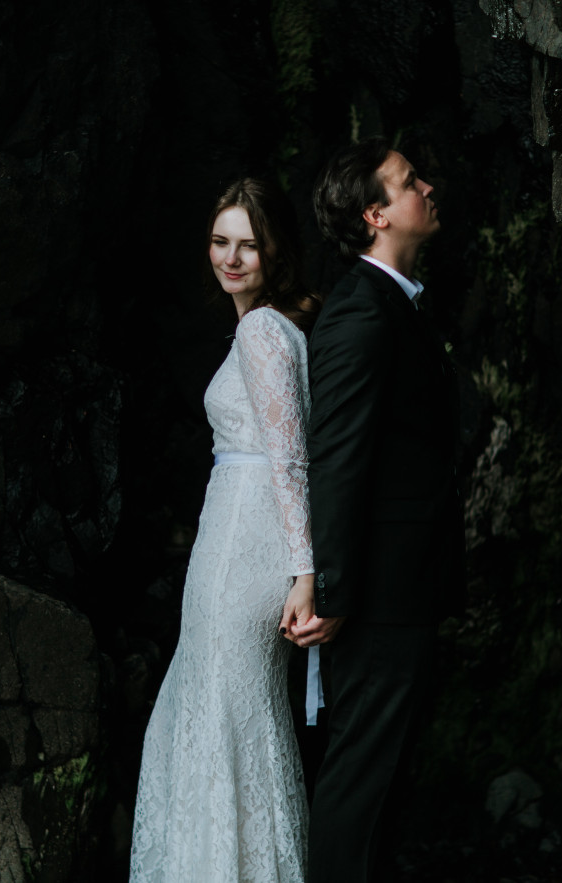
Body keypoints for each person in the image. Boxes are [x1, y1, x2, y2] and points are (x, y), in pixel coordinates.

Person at [130, 177, 321, 883]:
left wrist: (305, 573)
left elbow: (291, 457)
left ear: (274, 252)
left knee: (221, 713)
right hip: (241, 537)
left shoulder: (262, 330)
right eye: (220, 241)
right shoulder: (276, 326)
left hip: (246, 546)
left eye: (248, 244)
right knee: (229, 713)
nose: (232, 257)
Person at [289, 137, 465, 881]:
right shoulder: (360, 312)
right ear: (374, 214)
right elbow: (336, 459)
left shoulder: (394, 306)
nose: (428, 186)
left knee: (383, 788)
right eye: (407, 182)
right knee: (357, 789)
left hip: (403, 588)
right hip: (373, 600)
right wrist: (329, 588)